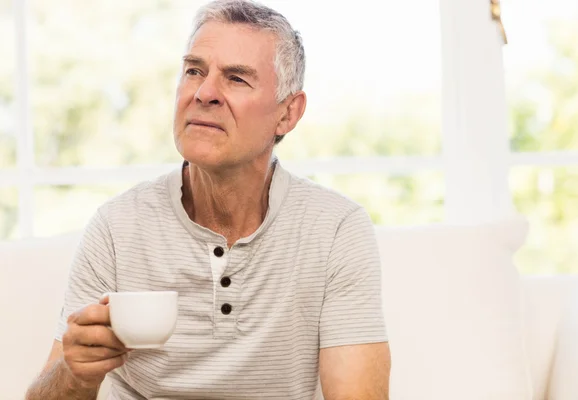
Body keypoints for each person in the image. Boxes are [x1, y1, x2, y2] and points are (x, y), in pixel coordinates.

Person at [25, 0, 391, 398]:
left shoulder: (336, 228)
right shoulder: (117, 226)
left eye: (236, 78)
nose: (204, 92)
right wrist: (76, 372)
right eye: (194, 70)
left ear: (287, 113)